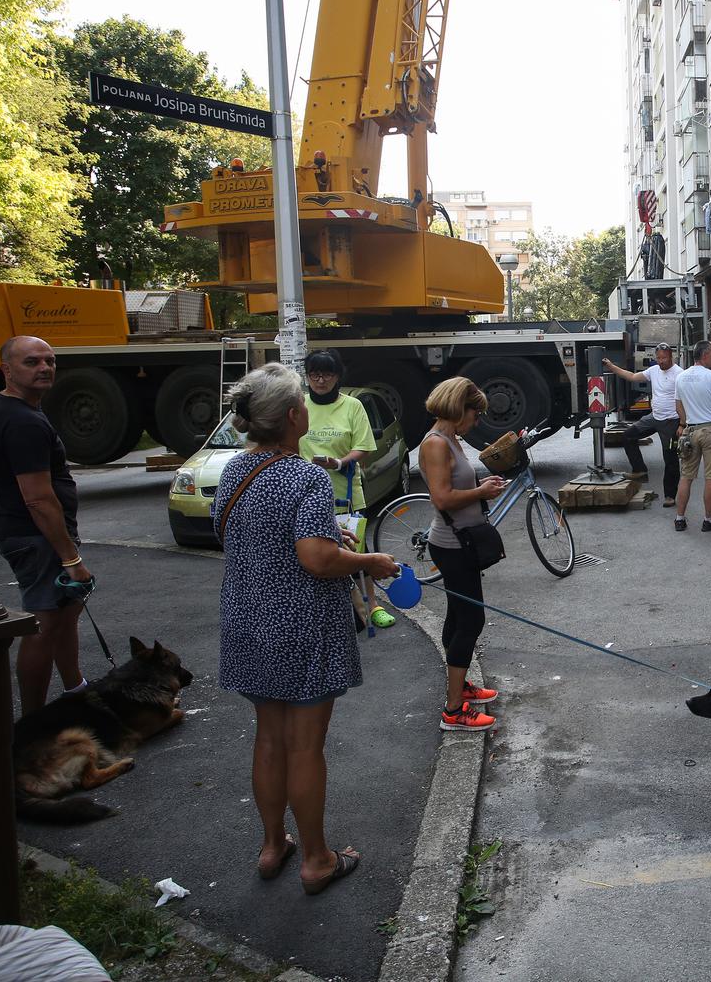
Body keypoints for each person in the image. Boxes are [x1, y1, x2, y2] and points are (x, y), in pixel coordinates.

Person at [213, 362, 400, 895]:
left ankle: (273, 845)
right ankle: (316, 858)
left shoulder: (232, 471)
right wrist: (368, 562)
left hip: (246, 617)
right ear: (295, 417)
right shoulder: (306, 477)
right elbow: (317, 559)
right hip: (300, 624)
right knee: (304, 747)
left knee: (268, 739)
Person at [0, 336, 91, 716]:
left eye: (49, 360)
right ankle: (34, 723)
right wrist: (69, 557)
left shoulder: (9, 408)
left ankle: (77, 689)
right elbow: (37, 499)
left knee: (66, 613)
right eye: (31, 362)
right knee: (44, 626)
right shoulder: (21, 421)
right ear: (7, 370)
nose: (44, 367)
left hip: (35, 535)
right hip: (35, 537)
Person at [420, 377, 507, 732]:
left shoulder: (450, 439)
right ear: (461, 409)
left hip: (461, 541)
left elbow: (457, 487)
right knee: (471, 621)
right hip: (452, 544)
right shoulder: (436, 444)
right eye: (476, 413)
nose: (477, 420)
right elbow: (441, 498)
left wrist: (481, 490)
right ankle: (454, 710)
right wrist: (481, 492)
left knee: (458, 618)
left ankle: (460, 687)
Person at [298, 348, 394, 629]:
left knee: (355, 552)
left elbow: (364, 447)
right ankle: (330, 611)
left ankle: (372, 606)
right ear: (307, 377)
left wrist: (338, 463)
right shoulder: (300, 406)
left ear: (337, 376)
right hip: (305, 496)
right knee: (315, 554)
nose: (320, 380)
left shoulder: (352, 406)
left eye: (327, 374)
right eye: (314, 374)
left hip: (346, 495)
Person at [601, 343, 682, 507]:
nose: (660, 361)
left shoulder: (679, 374)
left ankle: (670, 496)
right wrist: (611, 366)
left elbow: (686, 400)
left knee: (670, 459)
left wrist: (683, 424)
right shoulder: (653, 371)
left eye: (664, 358)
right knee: (628, 436)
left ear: (671, 356)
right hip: (654, 417)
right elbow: (631, 376)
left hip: (671, 421)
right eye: (658, 358)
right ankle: (640, 470)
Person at [673, 340, 711, 532]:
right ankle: (708, 520)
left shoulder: (681, 377)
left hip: (690, 431)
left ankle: (679, 518)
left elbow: (678, 406)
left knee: (686, 476)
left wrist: (684, 422)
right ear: (705, 355)